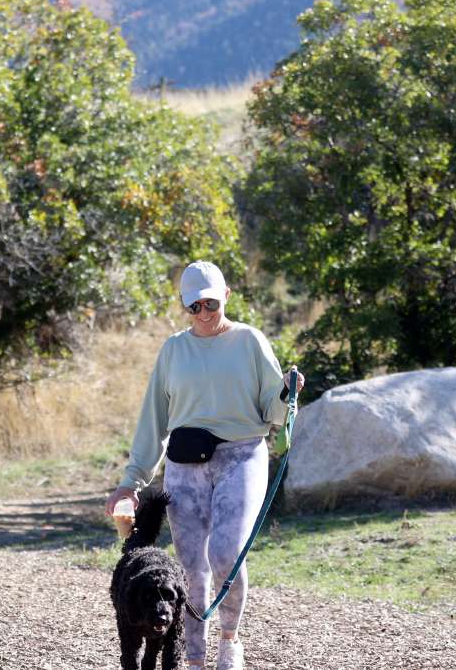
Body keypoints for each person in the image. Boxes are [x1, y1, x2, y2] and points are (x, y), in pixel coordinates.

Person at [105, 260, 304, 670]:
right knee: (190, 568)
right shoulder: (174, 349)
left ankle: (229, 642)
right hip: (185, 463)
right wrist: (131, 482)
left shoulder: (250, 341)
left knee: (227, 552)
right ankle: (193, 659)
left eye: (210, 302)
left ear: (226, 296)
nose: (204, 313)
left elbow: (272, 409)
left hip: (241, 454)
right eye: (193, 306)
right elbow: (153, 422)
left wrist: (287, 393)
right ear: (185, 307)